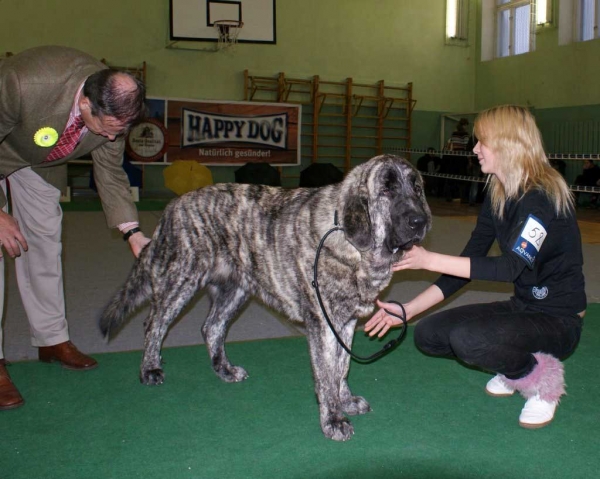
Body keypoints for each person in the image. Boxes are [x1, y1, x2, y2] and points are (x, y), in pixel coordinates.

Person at [365, 105, 586, 429]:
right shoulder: (497, 195)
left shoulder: (541, 200)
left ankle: (540, 380)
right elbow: (468, 261)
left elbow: (510, 268)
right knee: (429, 335)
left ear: (508, 144)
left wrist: (429, 260)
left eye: (482, 141)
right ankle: (514, 367)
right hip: (524, 307)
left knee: (470, 340)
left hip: (560, 319)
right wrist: (409, 310)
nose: (474, 149)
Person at [0, 46, 151, 410]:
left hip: (40, 163)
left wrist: (134, 234)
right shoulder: (21, 84)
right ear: (84, 104)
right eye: (109, 130)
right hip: (5, 143)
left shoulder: (113, 108)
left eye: (122, 130)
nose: (114, 139)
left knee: (44, 241)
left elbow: (110, 173)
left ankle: (52, 340)